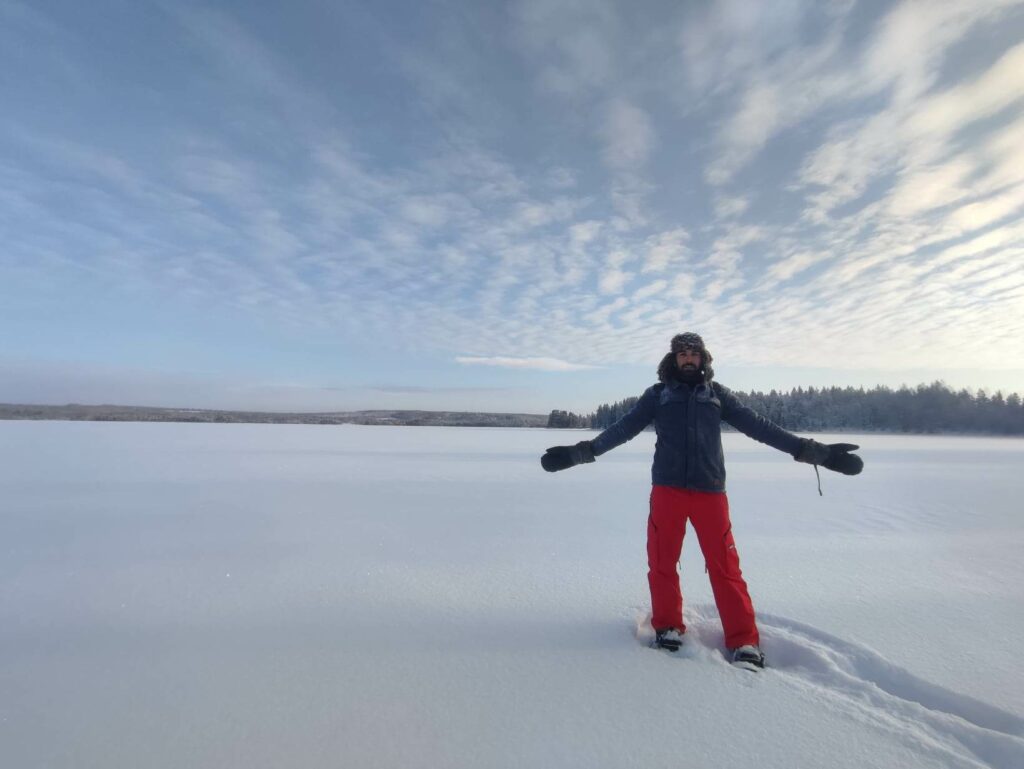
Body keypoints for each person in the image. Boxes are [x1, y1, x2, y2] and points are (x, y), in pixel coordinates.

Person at [540, 332, 862, 670]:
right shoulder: (658, 395)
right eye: (682, 353)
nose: (688, 358)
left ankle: (744, 641)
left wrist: (815, 453)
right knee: (662, 562)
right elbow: (622, 429)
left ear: (703, 357)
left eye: (693, 353)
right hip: (667, 491)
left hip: (710, 493)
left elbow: (761, 427)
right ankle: (667, 627)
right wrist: (582, 452)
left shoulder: (718, 396)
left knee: (725, 566)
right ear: (674, 358)